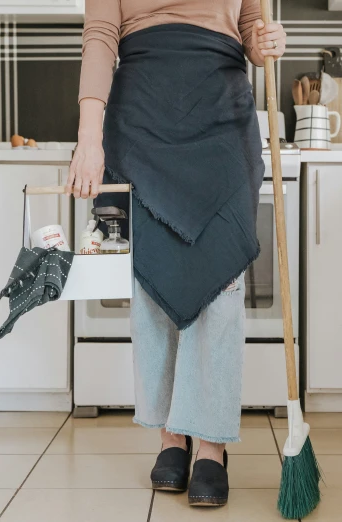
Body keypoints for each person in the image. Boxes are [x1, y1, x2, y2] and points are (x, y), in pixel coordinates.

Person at [70, 0, 286, 507]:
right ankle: (171, 433)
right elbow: (101, 35)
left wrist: (263, 42)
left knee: (220, 280)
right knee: (152, 278)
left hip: (221, 115)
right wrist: (89, 137)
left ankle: (210, 442)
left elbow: (251, 26)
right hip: (141, 114)